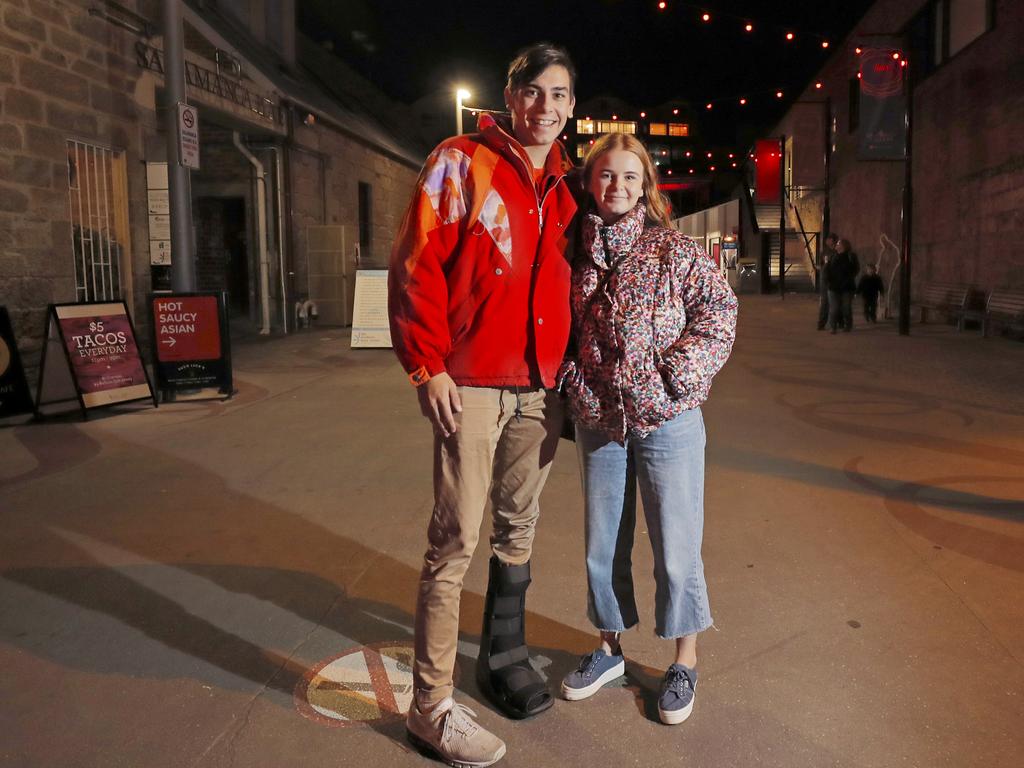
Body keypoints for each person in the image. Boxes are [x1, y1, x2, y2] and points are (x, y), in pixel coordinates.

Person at [388, 43, 578, 767]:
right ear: (510, 94)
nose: (546, 108)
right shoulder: (459, 159)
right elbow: (416, 262)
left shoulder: (566, 186)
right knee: (455, 541)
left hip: (540, 387)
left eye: (560, 96)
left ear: (570, 106)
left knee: (517, 528)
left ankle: (503, 657)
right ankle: (431, 706)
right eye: (534, 92)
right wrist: (427, 366)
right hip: (468, 383)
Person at [557, 133, 737, 725]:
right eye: (607, 175)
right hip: (600, 422)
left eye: (630, 177)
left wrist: (670, 381)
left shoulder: (673, 250)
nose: (618, 187)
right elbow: (553, 330)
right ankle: (609, 648)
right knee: (601, 543)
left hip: (670, 421)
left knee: (677, 547)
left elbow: (719, 316)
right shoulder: (571, 256)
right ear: (590, 182)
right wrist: (575, 384)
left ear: (646, 186)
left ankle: (685, 658)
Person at [825, 238, 859, 333]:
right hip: (833, 287)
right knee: (834, 308)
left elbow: (856, 269)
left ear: (844, 246)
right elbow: (828, 269)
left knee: (846, 308)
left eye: (839, 243)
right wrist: (828, 280)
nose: (837, 244)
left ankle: (848, 325)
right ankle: (833, 327)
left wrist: (848, 278)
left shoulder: (851, 256)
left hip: (847, 287)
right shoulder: (833, 256)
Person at [817, 233, 838, 330]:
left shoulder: (838, 251)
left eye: (829, 239)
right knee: (825, 302)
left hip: (835, 279)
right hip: (825, 280)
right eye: (827, 239)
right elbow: (820, 265)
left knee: (835, 302)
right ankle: (821, 323)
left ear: (833, 240)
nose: (827, 241)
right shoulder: (824, 252)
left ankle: (836, 322)